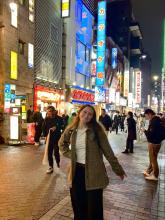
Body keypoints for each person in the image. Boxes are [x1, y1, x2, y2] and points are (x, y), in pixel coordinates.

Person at [59, 105, 126, 220]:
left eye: (90, 114)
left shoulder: (97, 130)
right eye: (84, 112)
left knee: (94, 210)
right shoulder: (72, 129)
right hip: (77, 172)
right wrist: (71, 155)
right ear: (79, 112)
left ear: (93, 117)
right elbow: (62, 144)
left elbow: (108, 152)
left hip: (95, 173)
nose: (86, 115)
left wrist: (118, 169)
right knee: (78, 206)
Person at [142, 109, 163, 181]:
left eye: (146, 116)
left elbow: (150, 135)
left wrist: (144, 131)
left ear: (149, 114)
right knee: (152, 158)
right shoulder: (157, 120)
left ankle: (155, 175)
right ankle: (150, 171)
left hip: (154, 143)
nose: (146, 118)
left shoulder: (154, 122)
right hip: (157, 142)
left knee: (153, 159)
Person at [42, 106, 63, 174]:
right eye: (48, 111)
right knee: (49, 152)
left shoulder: (59, 118)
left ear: (54, 111)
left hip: (57, 138)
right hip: (49, 138)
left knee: (56, 152)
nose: (49, 113)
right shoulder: (46, 119)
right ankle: (51, 166)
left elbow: (63, 125)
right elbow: (44, 127)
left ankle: (58, 162)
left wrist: (56, 127)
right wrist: (45, 136)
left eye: (50, 111)